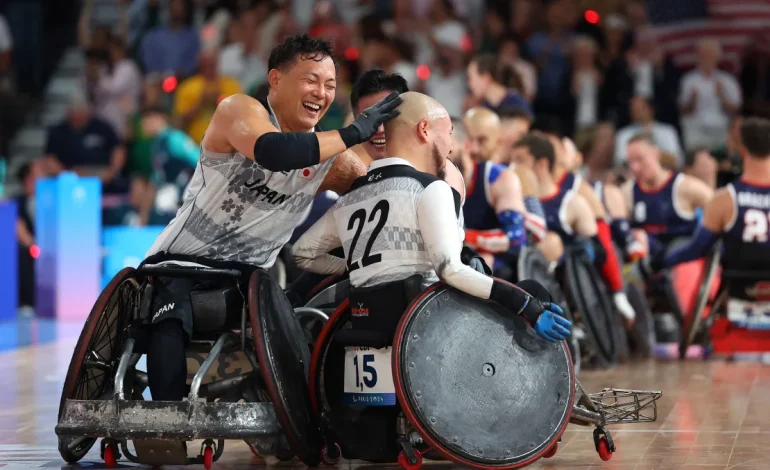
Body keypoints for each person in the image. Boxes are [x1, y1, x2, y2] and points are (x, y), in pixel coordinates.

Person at [141, 34, 402, 402]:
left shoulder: (332, 159)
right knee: (173, 314)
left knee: (299, 315)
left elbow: (382, 199)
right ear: (276, 79)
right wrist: (352, 133)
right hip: (181, 263)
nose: (321, 93)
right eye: (311, 80)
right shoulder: (240, 111)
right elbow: (272, 150)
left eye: (330, 85)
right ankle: (164, 419)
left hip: (247, 282)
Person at [291, 92, 571, 343]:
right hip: (428, 331)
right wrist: (525, 305)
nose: (450, 146)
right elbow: (451, 270)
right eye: (448, 133)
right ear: (424, 130)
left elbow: (302, 253)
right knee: (533, 291)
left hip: (364, 326)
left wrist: (356, 267)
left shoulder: (350, 197)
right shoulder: (432, 188)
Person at [643, 117, 770, 327]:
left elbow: (696, 249)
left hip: (741, 289)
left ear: (743, 151)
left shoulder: (724, 199)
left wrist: (656, 263)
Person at [512, 132, 636, 324]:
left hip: (565, 280)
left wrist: (615, 290)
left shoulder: (572, 202)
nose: (513, 167)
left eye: (520, 161)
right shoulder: (512, 199)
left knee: (554, 243)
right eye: (512, 161)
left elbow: (601, 250)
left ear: (542, 164)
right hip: (526, 274)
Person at [458, 107, 546, 275]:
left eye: (482, 140)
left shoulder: (516, 173)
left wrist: (467, 238)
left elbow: (537, 229)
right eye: (470, 140)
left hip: (511, 263)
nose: (474, 149)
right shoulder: (454, 170)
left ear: (498, 141)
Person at [621, 133, 714, 259]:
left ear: (655, 153)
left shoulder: (686, 187)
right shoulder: (627, 192)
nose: (635, 167)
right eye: (630, 162)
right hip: (646, 262)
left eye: (640, 159)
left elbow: (720, 209)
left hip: (681, 261)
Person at [349, 70, 410, 161]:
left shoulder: (434, 172)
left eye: (388, 117)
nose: (379, 130)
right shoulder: (351, 174)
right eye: (369, 119)